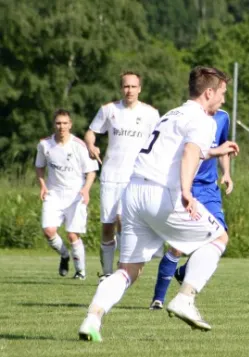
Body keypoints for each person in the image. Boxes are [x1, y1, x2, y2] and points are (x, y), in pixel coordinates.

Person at [78, 66, 239, 342]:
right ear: (209, 92)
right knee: (219, 238)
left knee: (128, 270)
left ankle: (92, 318)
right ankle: (185, 298)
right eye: (222, 93)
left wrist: (214, 151)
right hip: (160, 194)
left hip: (133, 193)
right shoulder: (203, 119)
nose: (223, 100)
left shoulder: (172, 114)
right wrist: (186, 191)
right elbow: (189, 152)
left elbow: (181, 151)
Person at [149, 109, 233, 310]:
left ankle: (183, 272)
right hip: (186, 185)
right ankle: (158, 299)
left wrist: (227, 173)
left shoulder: (223, 117)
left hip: (209, 188)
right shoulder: (187, 116)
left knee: (219, 235)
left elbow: (222, 148)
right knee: (178, 246)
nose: (222, 97)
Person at [84, 71, 160, 282]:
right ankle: (106, 272)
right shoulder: (109, 110)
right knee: (108, 225)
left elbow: (160, 141)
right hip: (110, 175)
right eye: (126, 86)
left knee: (123, 220)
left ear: (140, 89)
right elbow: (91, 132)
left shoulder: (151, 114)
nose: (130, 90)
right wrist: (91, 145)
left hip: (135, 177)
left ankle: (123, 267)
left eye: (134, 87)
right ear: (121, 88)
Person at [35, 109, 99, 280]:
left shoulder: (79, 145)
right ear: (54, 125)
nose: (61, 126)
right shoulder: (44, 145)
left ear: (70, 125)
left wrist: (86, 190)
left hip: (75, 195)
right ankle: (64, 255)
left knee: (72, 235)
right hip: (54, 193)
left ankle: (80, 272)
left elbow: (91, 171)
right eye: (58, 123)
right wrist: (42, 185)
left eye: (64, 123)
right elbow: (39, 166)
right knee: (48, 231)